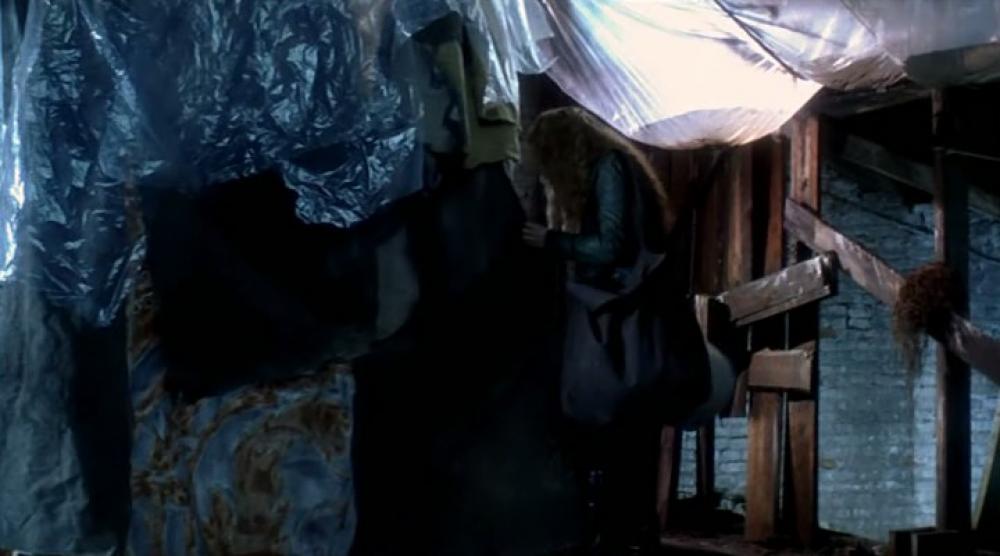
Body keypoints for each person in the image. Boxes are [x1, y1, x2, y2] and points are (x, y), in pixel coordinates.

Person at [522, 107, 673, 555]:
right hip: (622, 313)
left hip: (617, 313)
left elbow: (611, 246)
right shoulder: (618, 166)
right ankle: (625, 529)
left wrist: (551, 240)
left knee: (611, 416)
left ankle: (618, 531)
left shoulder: (609, 168)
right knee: (623, 423)